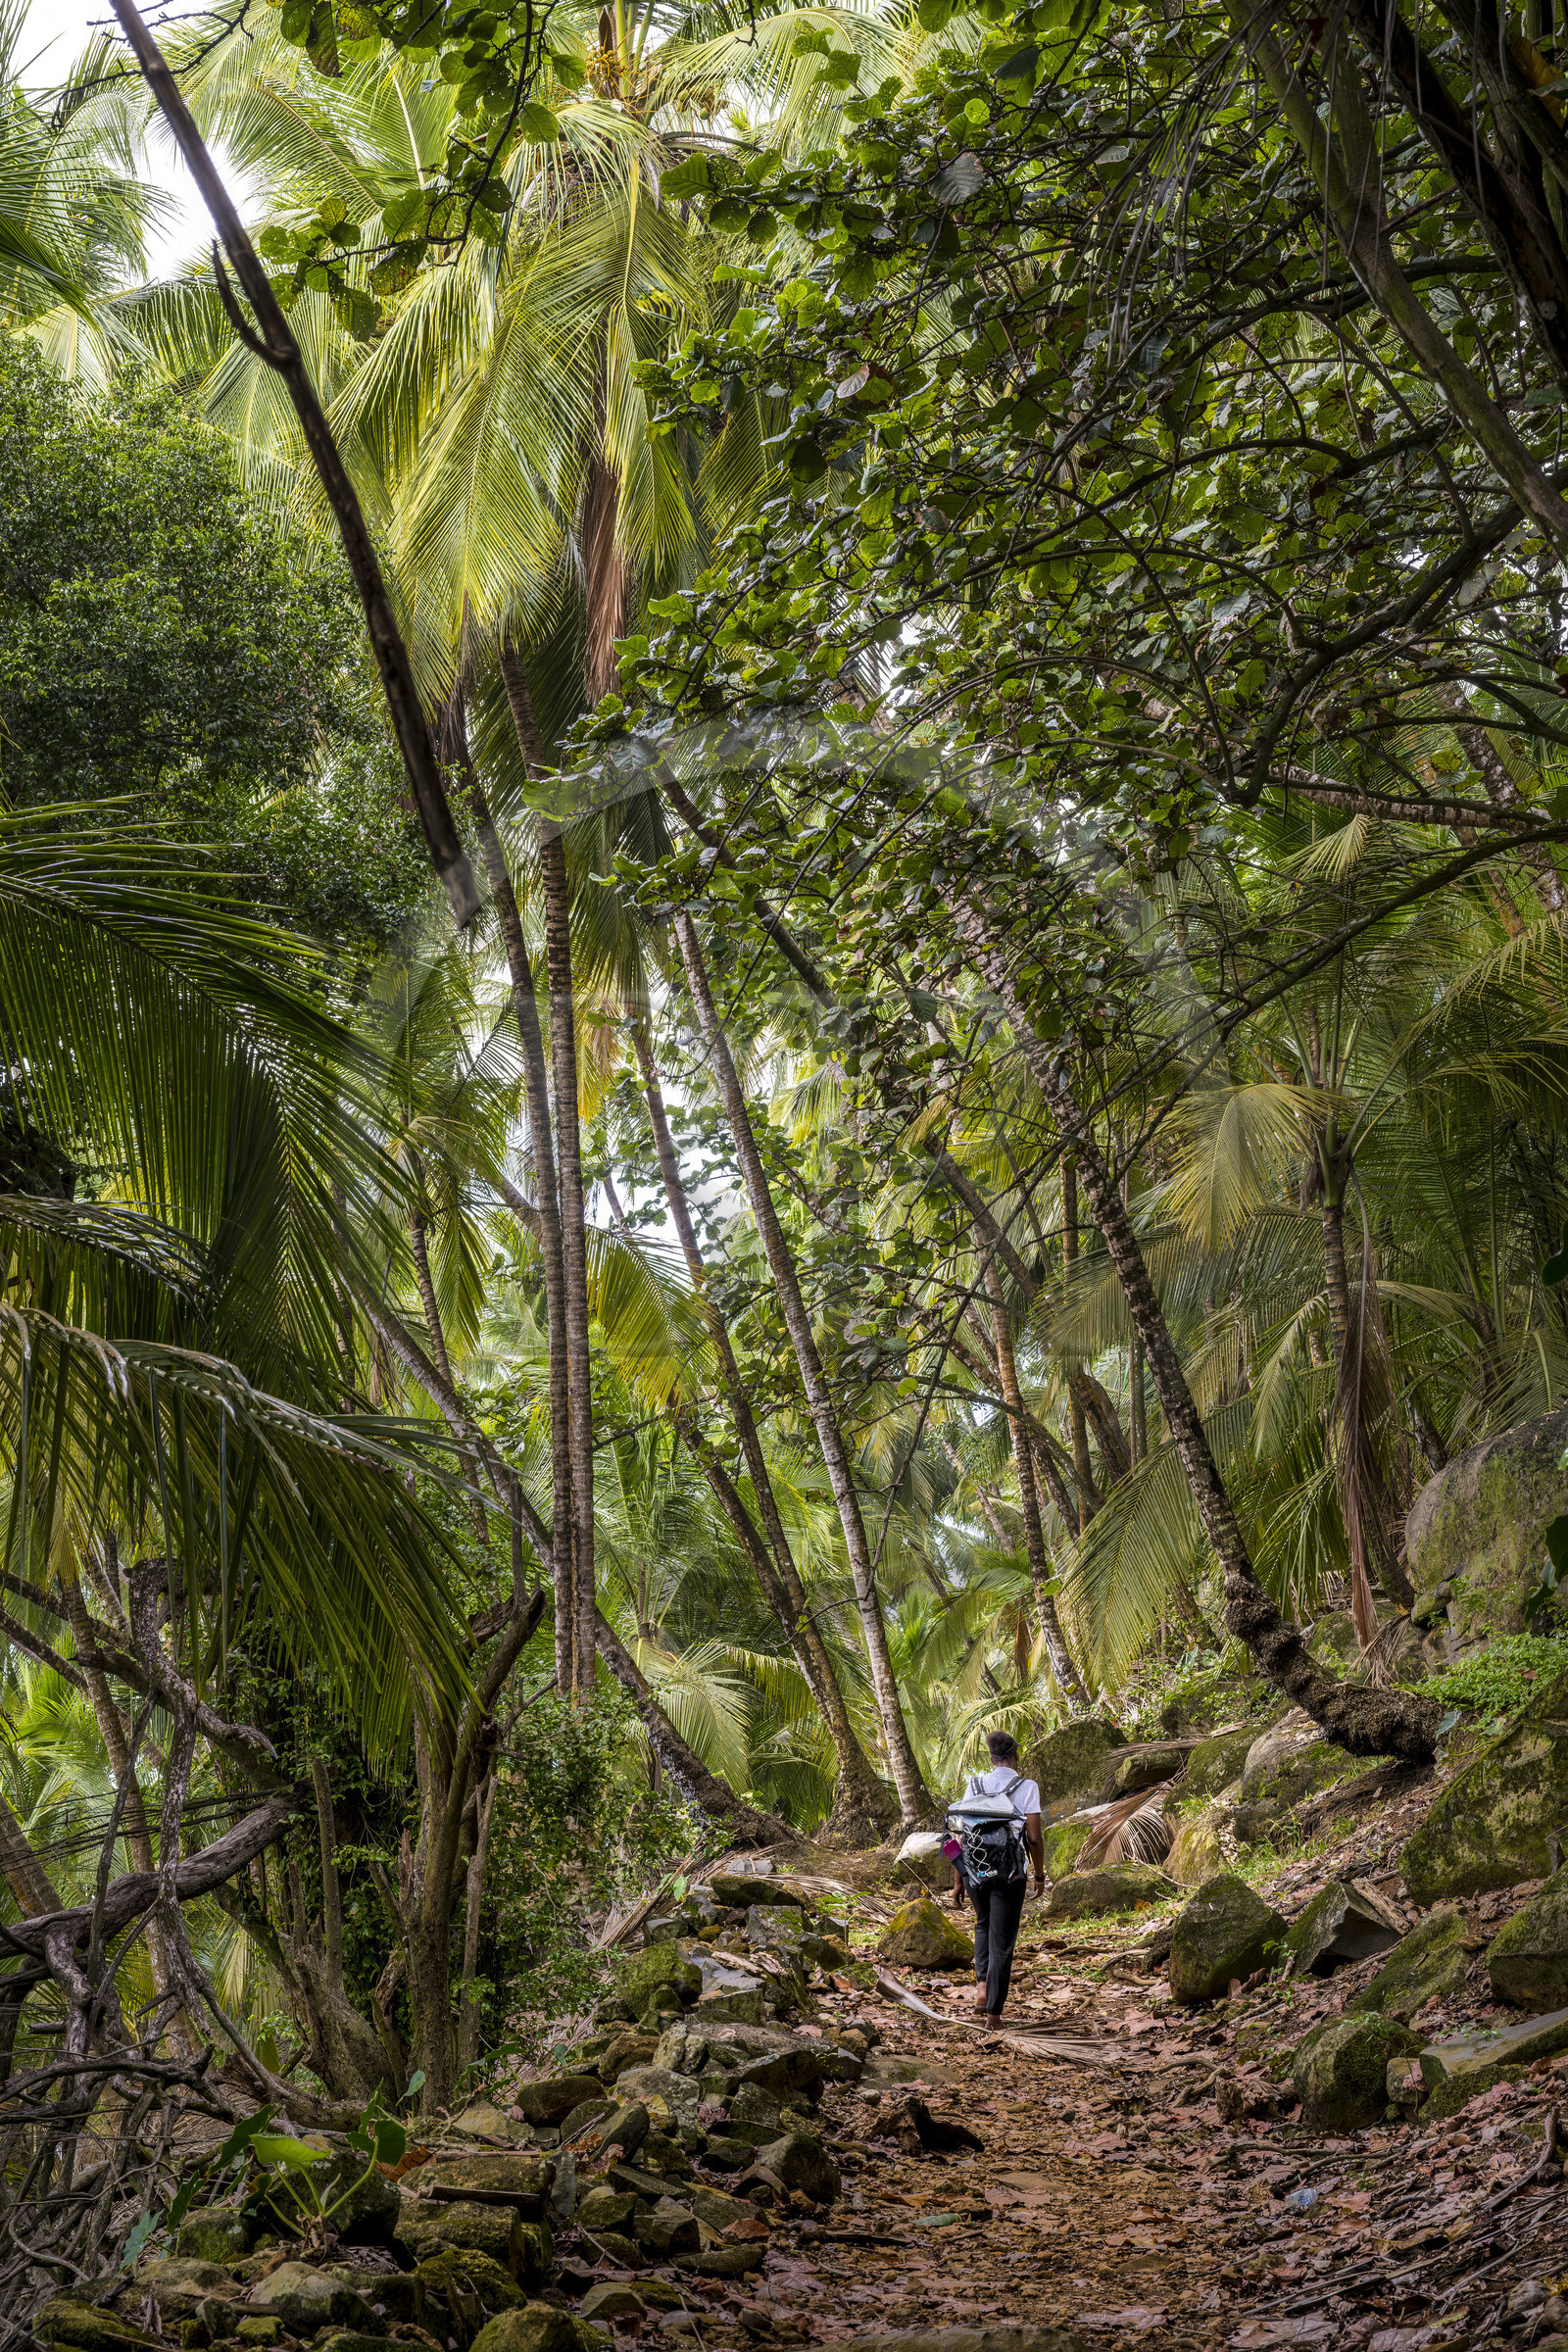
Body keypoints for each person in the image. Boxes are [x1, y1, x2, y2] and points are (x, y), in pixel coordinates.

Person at [951, 1729, 1045, 2023]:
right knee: (1002, 1940)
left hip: (975, 1869)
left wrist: (958, 1880)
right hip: (1010, 1872)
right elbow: (1033, 1839)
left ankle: (981, 1987)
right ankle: (993, 2014)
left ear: (992, 1758)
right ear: (1015, 1755)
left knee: (983, 1924)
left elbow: (962, 1834)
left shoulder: (975, 1784)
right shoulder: (1027, 1786)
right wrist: (1039, 1876)